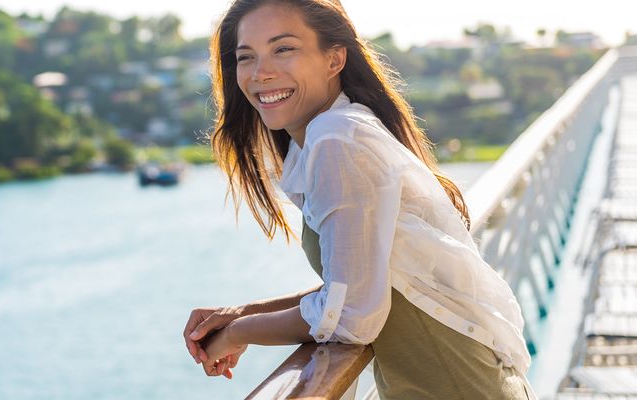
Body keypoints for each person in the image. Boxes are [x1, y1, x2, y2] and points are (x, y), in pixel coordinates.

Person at [181, 0, 535, 398]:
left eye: (284, 49)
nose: (261, 72)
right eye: (246, 57)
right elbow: (360, 283)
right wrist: (242, 313)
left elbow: (352, 318)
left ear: (334, 60)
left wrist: (239, 333)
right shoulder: (337, 132)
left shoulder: (337, 140)